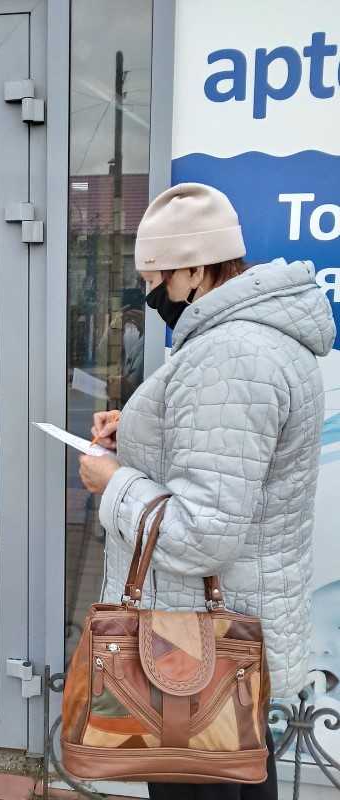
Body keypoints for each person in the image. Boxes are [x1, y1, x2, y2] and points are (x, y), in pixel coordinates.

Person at [79, 182, 336, 800]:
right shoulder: (251, 340)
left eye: (157, 279)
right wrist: (137, 434)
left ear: (197, 268)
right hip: (222, 638)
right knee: (239, 781)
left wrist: (114, 484)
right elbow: (228, 463)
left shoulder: (230, 355)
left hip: (194, 653)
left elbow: (203, 532)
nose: (151, 296)